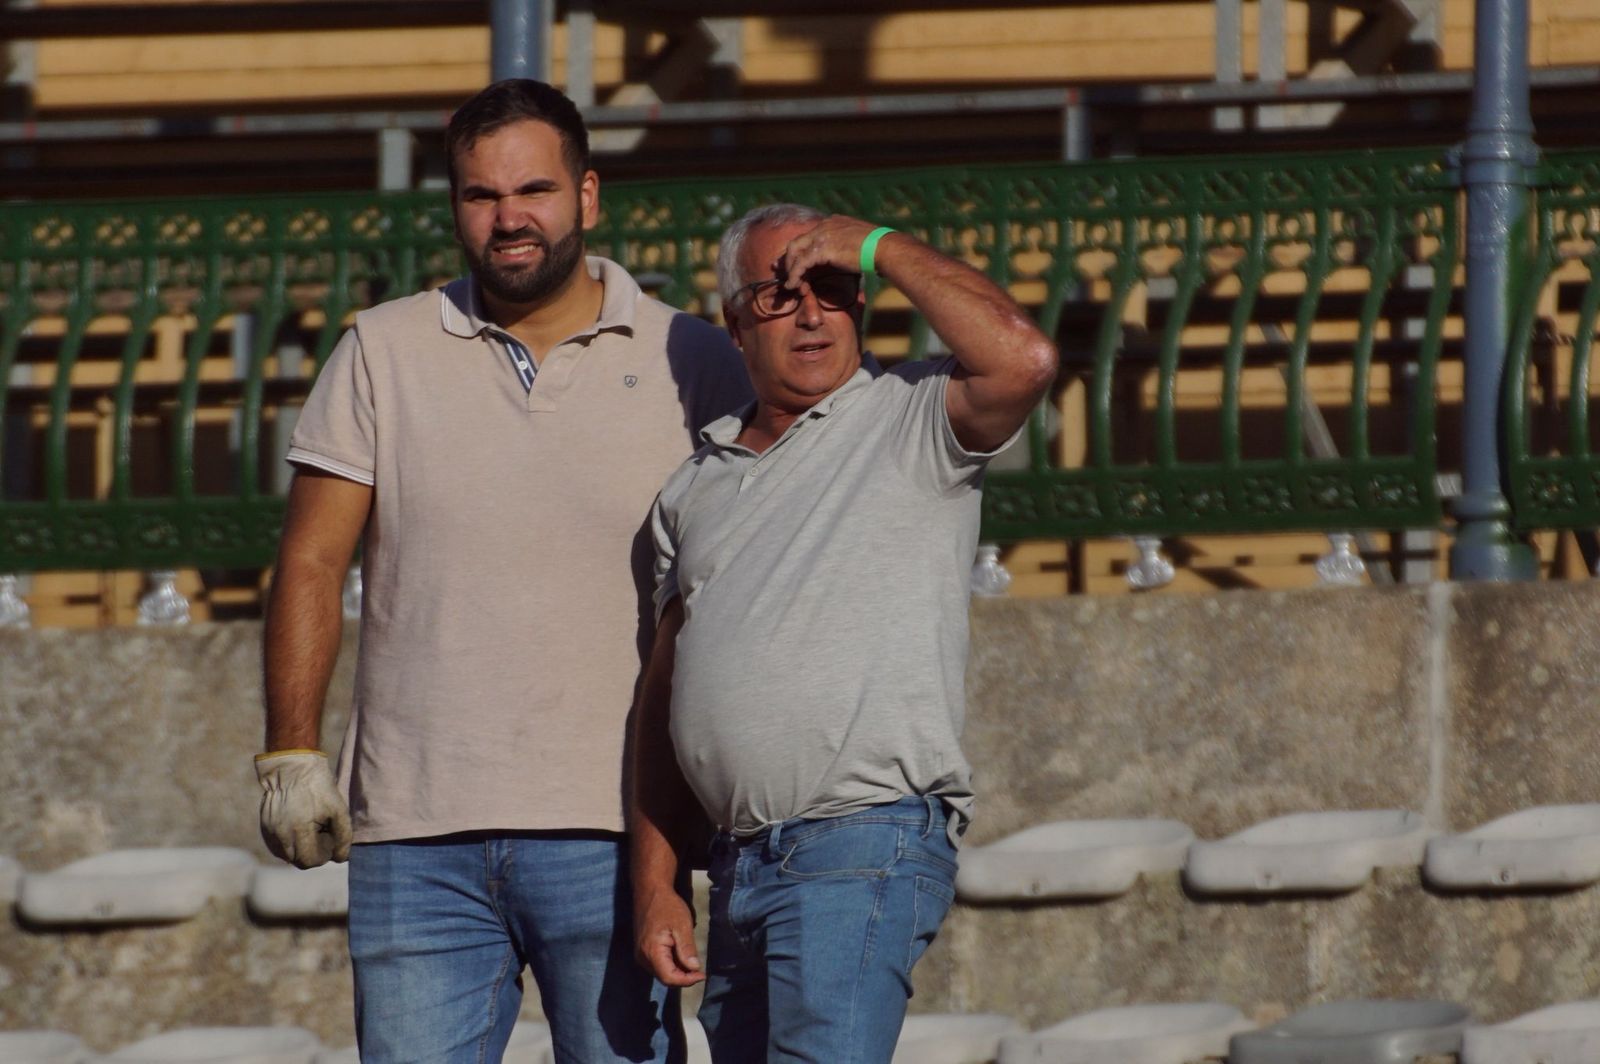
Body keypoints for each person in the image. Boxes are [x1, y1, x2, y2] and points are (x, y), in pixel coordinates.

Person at [254, 79, 750, 1064]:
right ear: (453, 206)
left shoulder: (694, 358)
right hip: (414, 830)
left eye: (534, 189)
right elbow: (310, 557)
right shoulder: (379, 350)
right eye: (480, 195)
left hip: (616, 830)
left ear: (588, 196)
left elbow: (735, 581)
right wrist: (290, 751)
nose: (509, 217)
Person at [629, 204, 1057, 1063]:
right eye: (780, 294)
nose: (814, 312)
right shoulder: (693, 485)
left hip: (860, 839)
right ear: (735, 322)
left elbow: (1025, 357)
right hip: (740, 864)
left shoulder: (910, 417)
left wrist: (880, 244)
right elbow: (662, 696)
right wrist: (656, 882)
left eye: (832, 287)